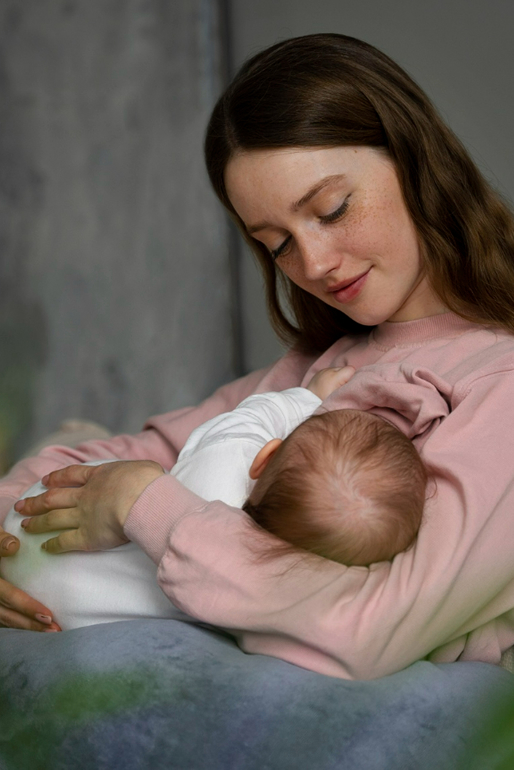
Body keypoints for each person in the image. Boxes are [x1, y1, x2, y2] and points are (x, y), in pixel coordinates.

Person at [1, 32, 514, 680]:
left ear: (415, 160)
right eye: (276, 245)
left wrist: (141, 504)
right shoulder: (322, 363)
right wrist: (9, 522)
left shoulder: (498, 384)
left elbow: (370, 625)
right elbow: (132, 455)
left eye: (332, 208)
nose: (315, 264)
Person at [0, 364, 430, 629]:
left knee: (84, 466)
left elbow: (255, 415)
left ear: (265, 458)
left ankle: (72, 436)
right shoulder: (251, 581)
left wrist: (309, 397)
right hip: (65, 614)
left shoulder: (230, 456)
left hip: (32, 526)